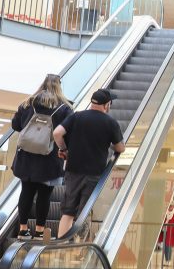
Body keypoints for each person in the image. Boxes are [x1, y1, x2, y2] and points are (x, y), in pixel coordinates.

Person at [52, 88, 126, 241]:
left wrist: (63, 149)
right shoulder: (110, 123)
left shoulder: (77, 116)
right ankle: (80, 248)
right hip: (94, 174)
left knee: (68, 211)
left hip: (73, 171)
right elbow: (120, 148)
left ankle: (60, 245)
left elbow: (57, 133)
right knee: (85, 212)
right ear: (107, 105)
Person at [10, 74, 73, 239]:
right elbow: (68, 133)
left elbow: (15, 125)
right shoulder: (65, 108)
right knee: (44, 195)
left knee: (26, 192)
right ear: (59, 86)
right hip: (50, 159)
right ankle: (39, 231)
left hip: (26, 157)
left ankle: (23, 229)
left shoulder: (27, 103)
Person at [160, 201, 174, 265]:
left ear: (173, 206)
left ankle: (168, 260)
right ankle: (167, 259)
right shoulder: (165, 213)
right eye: (169, 206)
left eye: (171, 206)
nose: (170, 207)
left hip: (171, 233)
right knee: (165, 246)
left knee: (168, 246)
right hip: (164, 232)